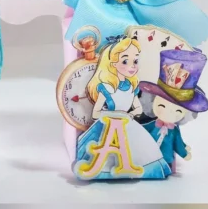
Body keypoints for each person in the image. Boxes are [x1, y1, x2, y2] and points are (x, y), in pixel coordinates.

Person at [73, 37, 171, 180]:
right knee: (106, 155)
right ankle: (103, 170)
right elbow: (96, 113)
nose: (132, 66)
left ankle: (133, 168)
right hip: (109, 127)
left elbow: (138, 108)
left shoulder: (131, 87)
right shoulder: (106, 87)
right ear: (113, 63)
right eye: (125, 61)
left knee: (142, 152)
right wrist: (114, 114)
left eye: (135, 61)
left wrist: (130, 114)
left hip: (127, 126)